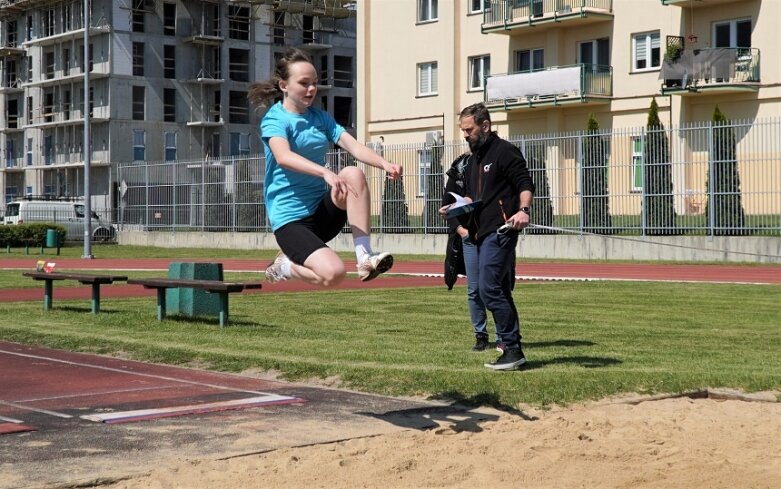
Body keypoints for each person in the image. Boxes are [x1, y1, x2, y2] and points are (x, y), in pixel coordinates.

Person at [248, 48, 402, 286]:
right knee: (334, 274)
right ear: (283, 85)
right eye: (304, 83)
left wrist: (384, 164)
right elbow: (283, 157)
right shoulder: (274, 119)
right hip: (291, 221)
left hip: (322, 213)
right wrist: (324, 172)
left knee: (353, 173)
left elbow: (354, 147)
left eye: (315, 83)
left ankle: (364, 256)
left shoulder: (320, 117)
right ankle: (285, 266)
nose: (311, 89)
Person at [444, 103, 535, 370]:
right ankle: (511, 348)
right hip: (481, 232)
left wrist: (523, 210)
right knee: (496, 289)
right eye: (463, 130)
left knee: (488, 288)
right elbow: (475, 197)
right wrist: (457, 207)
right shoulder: (474, 161)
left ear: (485, 126)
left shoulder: (505, 151)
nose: (465, 135)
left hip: (502, 229)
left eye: (469, 130)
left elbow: (525, 183)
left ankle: (511, 347)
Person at [441, 153, 497, 352]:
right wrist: (461, 231)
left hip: (493, 234)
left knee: (494, 287)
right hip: (469, 237)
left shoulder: (497, 160)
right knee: (475, 290)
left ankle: (503, 336)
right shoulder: (460, 166)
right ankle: (481, 335)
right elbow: (446, 205)